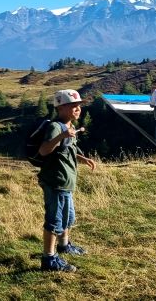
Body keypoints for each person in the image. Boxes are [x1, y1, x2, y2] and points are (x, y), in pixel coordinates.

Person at [38, 89, 97, 272]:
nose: (78, 109)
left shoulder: (69, 127)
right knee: (54, 220)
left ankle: (64, 246)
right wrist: (62, 135)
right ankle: (49, 259)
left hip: (66, 182)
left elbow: (66, 149)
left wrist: (83, 159)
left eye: (79, 105)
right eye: (73, 106)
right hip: (56, 181)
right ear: (61, 107)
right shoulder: (56, 127)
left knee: (68, 217)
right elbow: (44, 150)